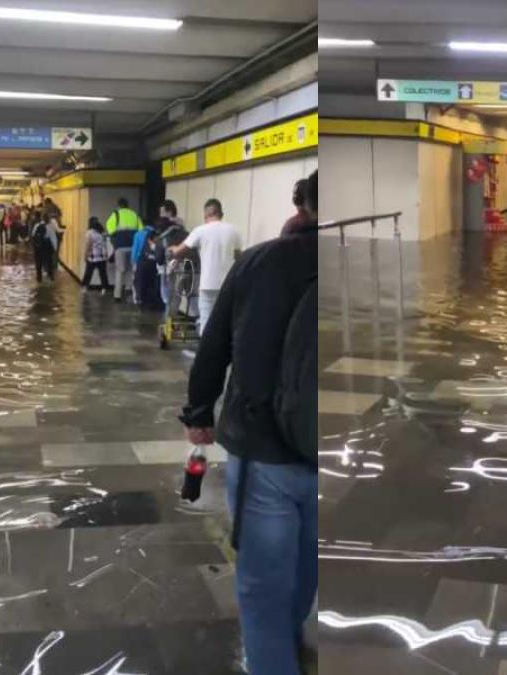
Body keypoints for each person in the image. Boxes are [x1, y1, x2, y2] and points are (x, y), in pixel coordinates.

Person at [180, 172, 318, 675]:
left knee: (262, 582)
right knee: (307, 564)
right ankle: (295, 630)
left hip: (264, 449)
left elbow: (213, 348)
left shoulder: (261, 261)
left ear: (301, 205)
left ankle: (274, 658)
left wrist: (199, 415)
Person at [169, 198, 242, 335]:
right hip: (228, 284)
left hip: (208, 283)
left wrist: (172, 248)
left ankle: (205, 353)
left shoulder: (201, 230)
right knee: (225, 320)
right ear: (221, 213)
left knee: (206, 320)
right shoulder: (234, 231)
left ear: (208, 213)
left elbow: (179, 250)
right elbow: (238, 257)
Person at [106, 197, 143, 302]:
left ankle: (117, 295)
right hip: (133, 247)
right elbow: (141, 230)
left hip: (120, 247)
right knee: (131, 270)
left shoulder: (116, 215)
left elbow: (110, 230)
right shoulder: (135, 215)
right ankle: (129, 290)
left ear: (118, 205)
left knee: (120, 270)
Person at [155, 201, 188, 310]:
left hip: (166, 266)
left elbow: (160, 248)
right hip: (181, 265)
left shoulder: (164, 228)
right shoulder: (182, 229)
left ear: (169, 212)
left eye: (162, 212)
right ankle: (171, 320)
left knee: (167, 295)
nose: (160, 215)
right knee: (176, 294)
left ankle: (168, 321)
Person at [82, 217, 111, 293]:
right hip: (102, 256)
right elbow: (106, 243)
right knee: (103, 274)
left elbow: (88, 245)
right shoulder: (102, 232)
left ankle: (85, 287)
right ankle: (104, 288)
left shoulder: (89, 233)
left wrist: (85, 255)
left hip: (93, 257)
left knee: (88, 273)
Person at [30, 209, 59, 282]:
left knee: (39, 263)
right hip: (47, 246)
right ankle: (51, 278)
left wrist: (34, 246)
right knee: (49, 262)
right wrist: (55, 249)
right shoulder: (50, 226)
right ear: (48, 218)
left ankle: (39, 278)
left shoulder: (37, 225)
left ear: (42, 218)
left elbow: (33, 235)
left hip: (39, 247)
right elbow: (53, 238)